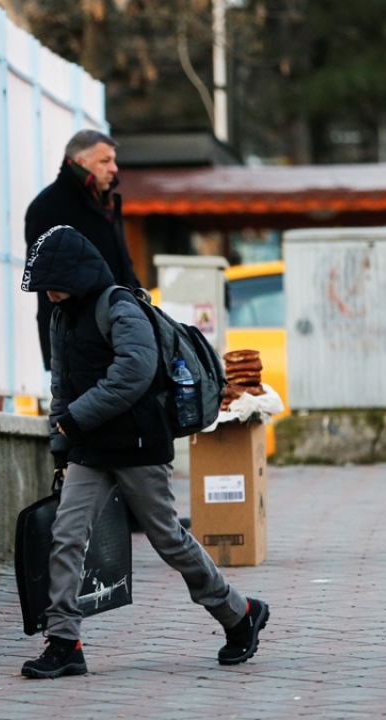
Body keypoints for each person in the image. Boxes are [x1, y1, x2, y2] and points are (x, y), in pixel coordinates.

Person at [18, 224, 269, 679]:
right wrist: (61, 444)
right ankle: (64, 642)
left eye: (53, 284)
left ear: (75, 274)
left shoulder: (119, 306)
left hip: (138, 446)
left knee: (168, 539)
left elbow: (134, 372)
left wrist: (75, 419)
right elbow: (61, 382)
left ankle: (240, 612)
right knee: (66, 535)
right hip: (90, 450)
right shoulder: (62, 317)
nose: (48, 294)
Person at [25, 130, 139, 371]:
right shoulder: (48, 206)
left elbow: (122, 264)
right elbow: (48, 283)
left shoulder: (103, 202)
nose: (114, 168)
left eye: (113, 160)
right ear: (80, 163)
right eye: (105, 161)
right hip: (79, 342)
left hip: (117, 328)